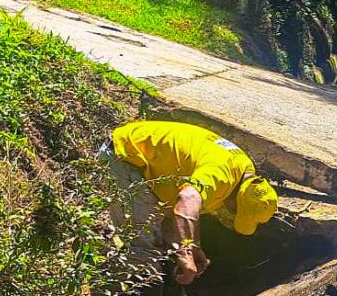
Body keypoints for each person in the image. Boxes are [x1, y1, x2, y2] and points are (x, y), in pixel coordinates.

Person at [98, 121, 278, 287]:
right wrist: (185, 251)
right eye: (235, 213)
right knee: (143, 251)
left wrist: (194, 245)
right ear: (235, 200)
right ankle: (109, 288)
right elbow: (186, 198)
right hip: (127, 156)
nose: (230, 217)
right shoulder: (220, 174)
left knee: (166, 241)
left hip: (154, 168)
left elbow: (188, 210)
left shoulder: (245, 173)